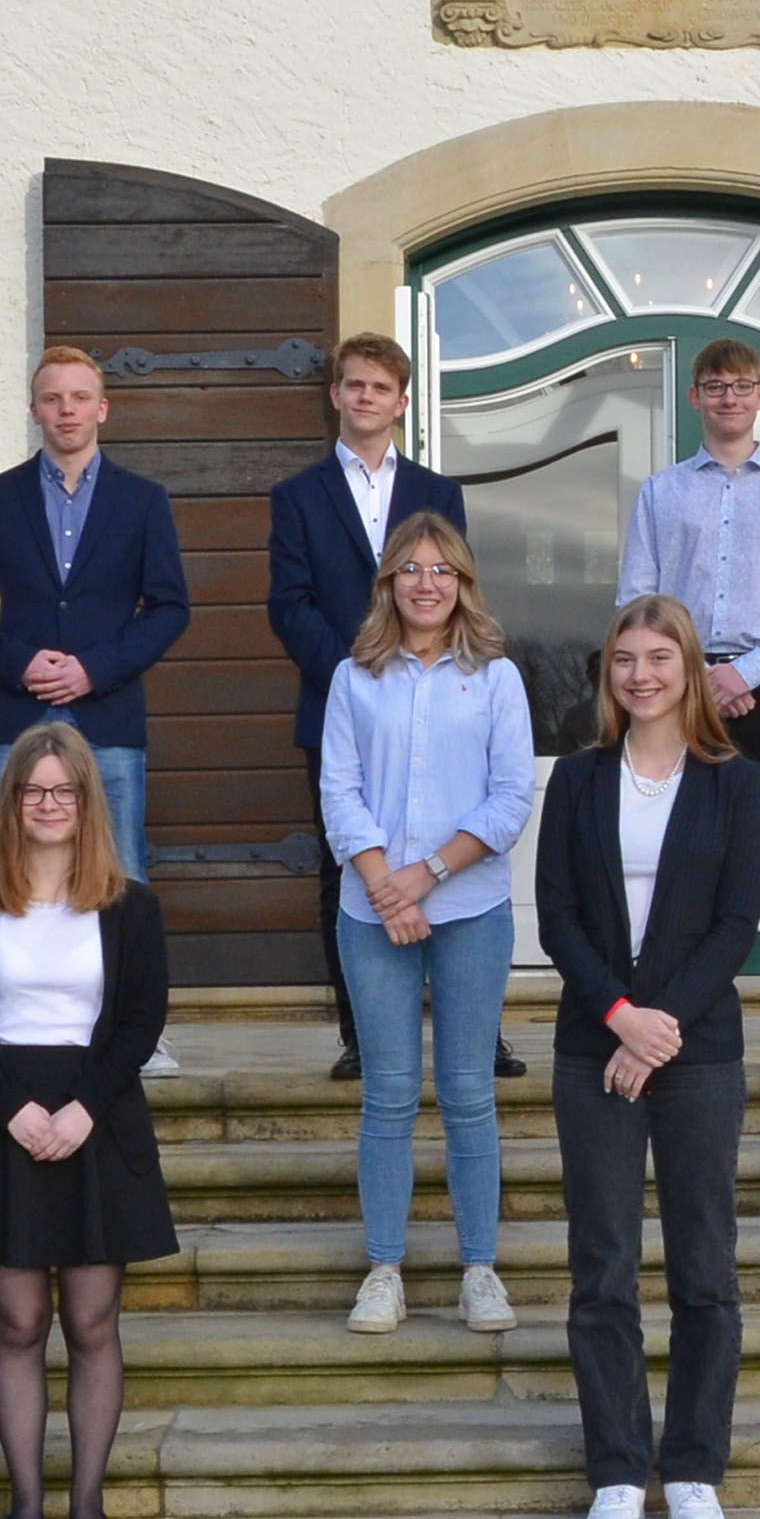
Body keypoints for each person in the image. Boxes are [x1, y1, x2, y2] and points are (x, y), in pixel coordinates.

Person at [536, 596, 760, 1519]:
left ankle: (697, 1467)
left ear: (689, 668)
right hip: (595, 1046)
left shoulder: (736, 783)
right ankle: (620, 1470)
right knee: (603, 1272)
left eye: (659, 656)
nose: (641, 674)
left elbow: (735, 922)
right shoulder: (581, 781)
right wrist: (622, 1019)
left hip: (699, 1054)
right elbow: (556, 918)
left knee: (705, 1271)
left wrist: (659, 1028)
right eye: (624, 658)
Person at [0, 723, 175, 1519]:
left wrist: (82, 1109)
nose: (47, 804)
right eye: (33, 791)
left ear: (85, 802)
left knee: (94, 1319)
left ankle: (90, 1507)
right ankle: (26, 1504)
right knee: (19, 1321)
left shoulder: (129, 905)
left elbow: (141, 1022)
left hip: (95, 1119)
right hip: (5, 1123)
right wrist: (12, 1108)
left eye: (63, 791)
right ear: (12, 803)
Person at [0, 344, 191, 1073]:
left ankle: (139, 1033)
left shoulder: (143, 501)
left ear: (102, 408)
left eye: (81, 398)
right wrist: (20, 660)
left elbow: (170, 608)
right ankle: (3, 1023)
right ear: (35, 409)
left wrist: (95, 668)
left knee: (125, 871)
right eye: (53, 398)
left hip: (108, 714)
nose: (68, 410)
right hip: (19, 715)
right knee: (10, 868)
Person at [321, 513, 536, 1338]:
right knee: (387, 1096)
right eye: (409, 569)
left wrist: (427, 875)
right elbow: (339, 791)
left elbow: (512, 796)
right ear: (388, 584)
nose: (425, 583)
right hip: (371, 913)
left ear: (463, 584)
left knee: (470, 1095)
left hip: (469, 910)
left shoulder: (498, 679)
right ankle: (385, 1269)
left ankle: (480, 1269)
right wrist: (385, 886)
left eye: (442, 570)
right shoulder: (355, 678)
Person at [615, 337, 760, 1076]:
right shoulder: (661, 492)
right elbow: (636, 600)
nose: (728, 397)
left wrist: (741, 671)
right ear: (694, 398)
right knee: (675, 847)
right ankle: (664, 1008)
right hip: (673, 696)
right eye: (714, 385)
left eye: (741, 385)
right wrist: (687, 673)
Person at [267, 333, 479, 1083]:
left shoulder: (437, 492)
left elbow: (454, 591)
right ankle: (361, 1033)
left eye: (380, 389)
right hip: (337, 704)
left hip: (438, 702)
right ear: (336, 394)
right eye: (353, 386)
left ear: (401, 402)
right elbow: (287, 605)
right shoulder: (296, 495)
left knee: (444, 848)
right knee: (346, 868)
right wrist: (361, 676)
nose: (365, 398)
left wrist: (412, 671)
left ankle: (466, 1026)